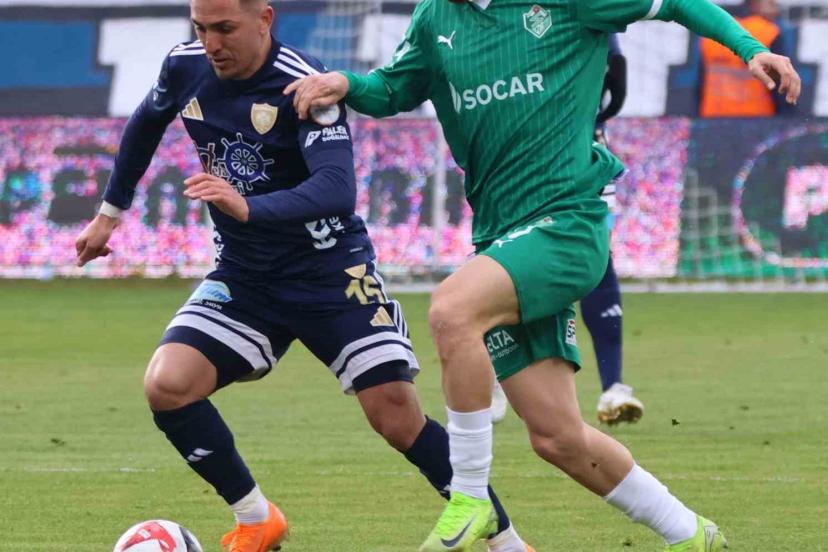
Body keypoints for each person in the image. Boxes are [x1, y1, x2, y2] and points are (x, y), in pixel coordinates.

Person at [286, 0, 799, 550]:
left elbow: (674, 1)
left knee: (453, 310)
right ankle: (693, 535)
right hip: (501, 238)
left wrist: (751, 49)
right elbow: (394, 89)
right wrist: (347, 83)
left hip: (567, 226)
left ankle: (470, 497)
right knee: (557, 437)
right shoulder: (436, 16)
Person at [74, 0, 532, 551]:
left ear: (264, 19)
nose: (211, 43)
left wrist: (248, 207)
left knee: (394, 416)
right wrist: (109, 214)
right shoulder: (184, 65)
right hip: (246, 275)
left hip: (330, 271)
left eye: (225, 28)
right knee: (167, 385)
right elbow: (146, 122)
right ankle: (256, 518)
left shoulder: (304, 83)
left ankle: (508, 544)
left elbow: (336, 189)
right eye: (201, 28)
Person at [492, 33, 643, 427]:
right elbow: (618, 69)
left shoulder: (515, 24)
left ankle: (610, 385)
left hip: (537, 143)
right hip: (562, 143)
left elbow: (616, 66)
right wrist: (600, 114)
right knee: (578, 251)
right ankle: (608, 385)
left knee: (530, 250)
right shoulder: (578, 16)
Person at [699, 0, 795, 117]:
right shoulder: (769, 32)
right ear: (754, 3)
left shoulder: (712, 30)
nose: (776, 7)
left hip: (712, 117)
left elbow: (700, 83)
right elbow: (782, 85)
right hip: (757, 117)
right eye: (770, 2)